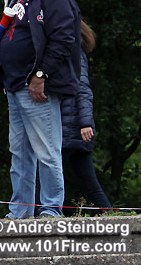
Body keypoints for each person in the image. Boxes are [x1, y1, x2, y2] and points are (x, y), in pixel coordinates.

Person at [0, 0, 81, 218]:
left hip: (36, 86)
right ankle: (20, 211)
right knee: (19, 151)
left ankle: (51, 210)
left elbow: (64, 39)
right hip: (14, 84)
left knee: (46, 149)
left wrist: (41, 75)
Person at [60, 20, 111, 212]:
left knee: (43, 175)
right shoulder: (73, 52)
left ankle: (37, 217)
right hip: (74, 128)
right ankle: (110, 218)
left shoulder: (73, 53)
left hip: (71, 128)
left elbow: (82, 89)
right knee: (90, 185)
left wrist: (85, 123)